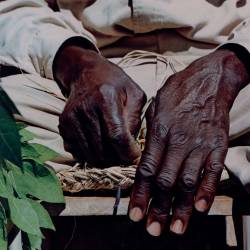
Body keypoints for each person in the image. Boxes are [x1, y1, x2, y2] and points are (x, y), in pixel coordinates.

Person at [0, 0, 249, 237]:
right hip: (85, 76)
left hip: (229, 74)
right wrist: (74, 61)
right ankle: (232, 156)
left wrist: (231, 67)